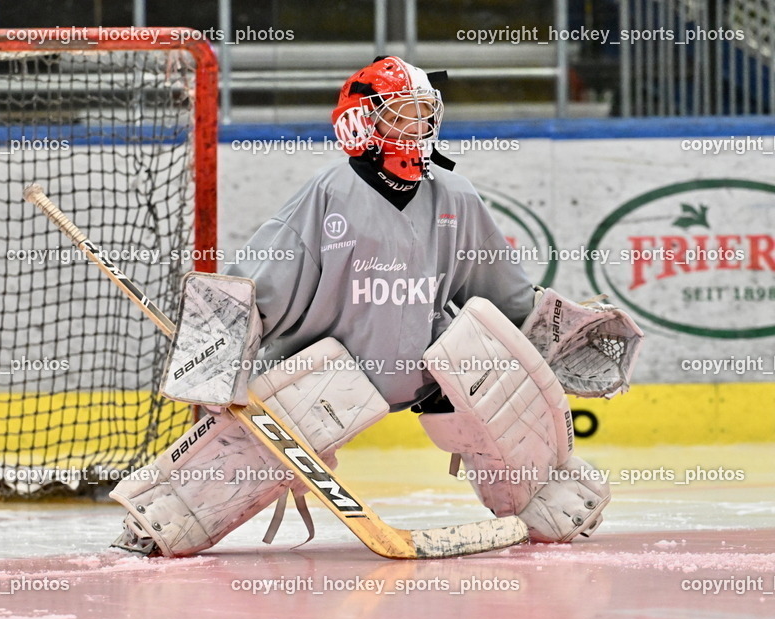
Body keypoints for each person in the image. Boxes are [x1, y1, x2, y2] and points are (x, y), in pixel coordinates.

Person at [109, 56, 642, 557]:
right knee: (255, 444)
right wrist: (216, 369)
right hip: (328, 368)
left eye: (423, 117)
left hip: (428, 367)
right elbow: (257, 287)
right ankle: (159, 518)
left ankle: (544, 496)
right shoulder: (327, 197)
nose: (416, 131)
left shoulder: (455, 197)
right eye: (400, 118)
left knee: (493, 373)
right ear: (361, 124)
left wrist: (554, 330)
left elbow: (500, 293)